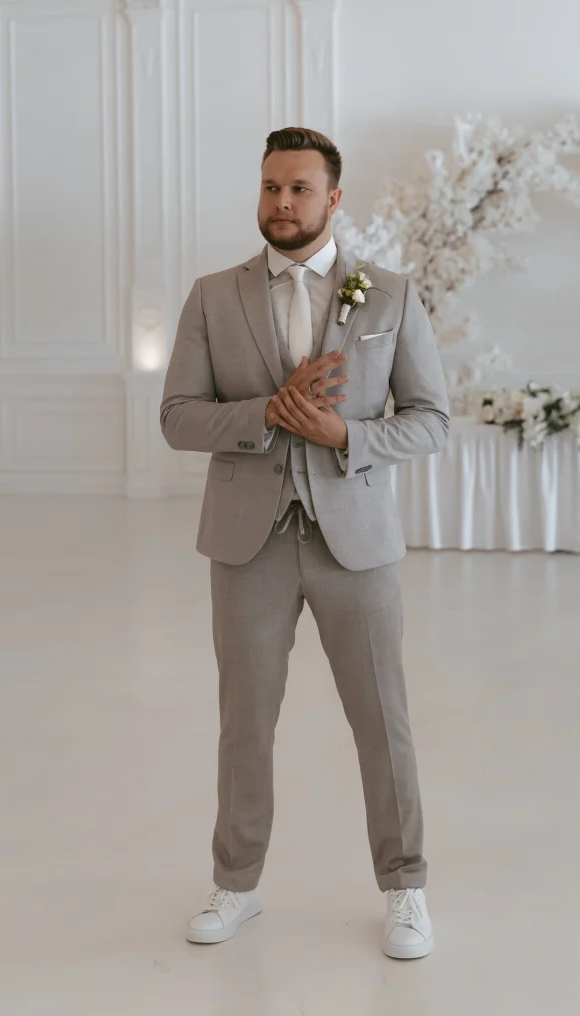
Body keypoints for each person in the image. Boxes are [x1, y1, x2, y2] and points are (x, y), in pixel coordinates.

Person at [160, 127, 450, 959]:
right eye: (268, 187)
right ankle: (237, 883)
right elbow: (178, 417)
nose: (279, 204)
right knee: (244, 721)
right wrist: (265, 414)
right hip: (246, 543)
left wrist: (342, 435)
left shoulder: (389, 295)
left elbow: (430, 421)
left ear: (332, 198)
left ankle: (405, 888)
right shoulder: (214, 296)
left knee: (381, 720)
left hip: (355, 540)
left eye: (296, 189)